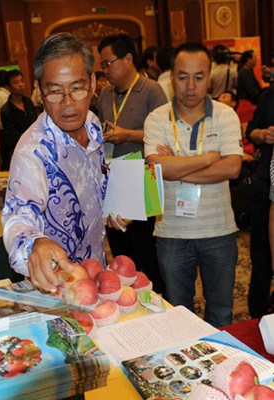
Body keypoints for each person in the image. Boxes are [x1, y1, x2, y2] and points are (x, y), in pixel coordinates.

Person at [2, 32, 127, 292]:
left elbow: (94, 181)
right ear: (38, 91)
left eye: (77, 88)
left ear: (92, 83)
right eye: (56, 92)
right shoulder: (33, 152)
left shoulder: (92, 123)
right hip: (55, 285)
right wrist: (35, 244)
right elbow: (19, 216)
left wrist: (115, 206)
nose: (68, 103)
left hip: (95, 269)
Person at [144, 42, 243, 327]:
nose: (190, 86)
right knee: (179, 315)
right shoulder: (156, 119)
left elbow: (233, 168)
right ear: (171, 77)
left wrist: (176, 166)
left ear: (209, 77)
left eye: (198, 77)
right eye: (182, 76)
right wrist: (209, 158)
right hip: (172, 234)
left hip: (219, 231)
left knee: (222, 311)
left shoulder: (226, 115)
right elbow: (155, 167)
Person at [98, 33, 167, 295]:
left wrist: (127, 134)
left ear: (128, 59)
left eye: (108, 63)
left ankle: (155, 299)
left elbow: (162, 136)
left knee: (144, 250)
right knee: (120, 251)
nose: (105, 70)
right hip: (114, 178)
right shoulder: (105, 94)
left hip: (141, 178)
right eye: (102, 65)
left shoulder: (151, 90)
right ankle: (125, 299)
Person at [246, 85, 274, 318]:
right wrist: (263, 135)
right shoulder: (270, 94)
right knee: (261, 259)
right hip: (266, 185)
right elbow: (251, 131)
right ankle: (258, 317)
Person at [0, 69, 37, 167]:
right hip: (20, 149)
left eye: (22, 81)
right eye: (16, 82)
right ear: (8, 87)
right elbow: (11, 134)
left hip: (35, 146)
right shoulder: (6, 109)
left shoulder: (28, 102)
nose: (20, 84)